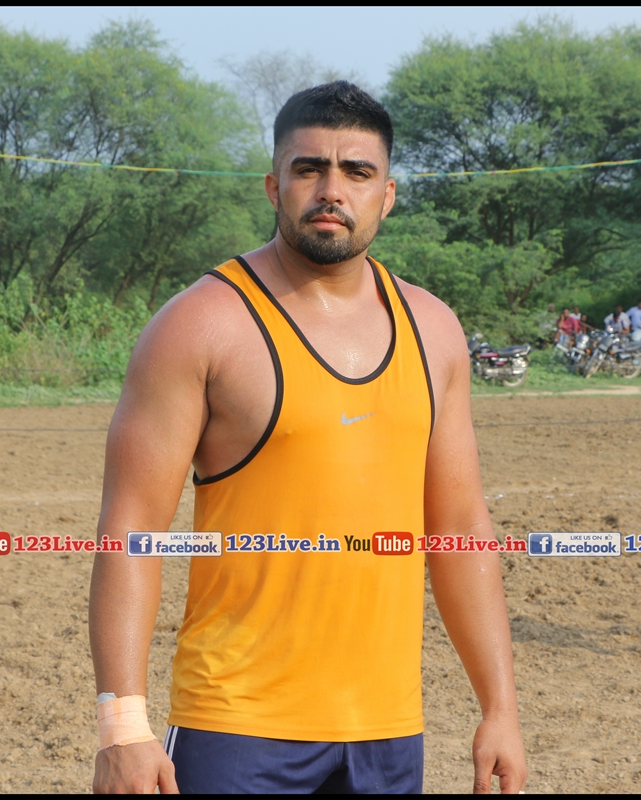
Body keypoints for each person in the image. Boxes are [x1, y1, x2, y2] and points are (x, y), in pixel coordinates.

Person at [89, 82, 526, 794]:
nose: (332, 190)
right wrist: (122, 726)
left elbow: (459, 528)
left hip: (388, 732)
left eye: (357, 172)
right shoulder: (201, 325)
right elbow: (131, 529)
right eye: (309, 168)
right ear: (274, 185)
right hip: (237, 726)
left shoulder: (434, 330)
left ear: (387, 195)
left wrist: (499, 707)